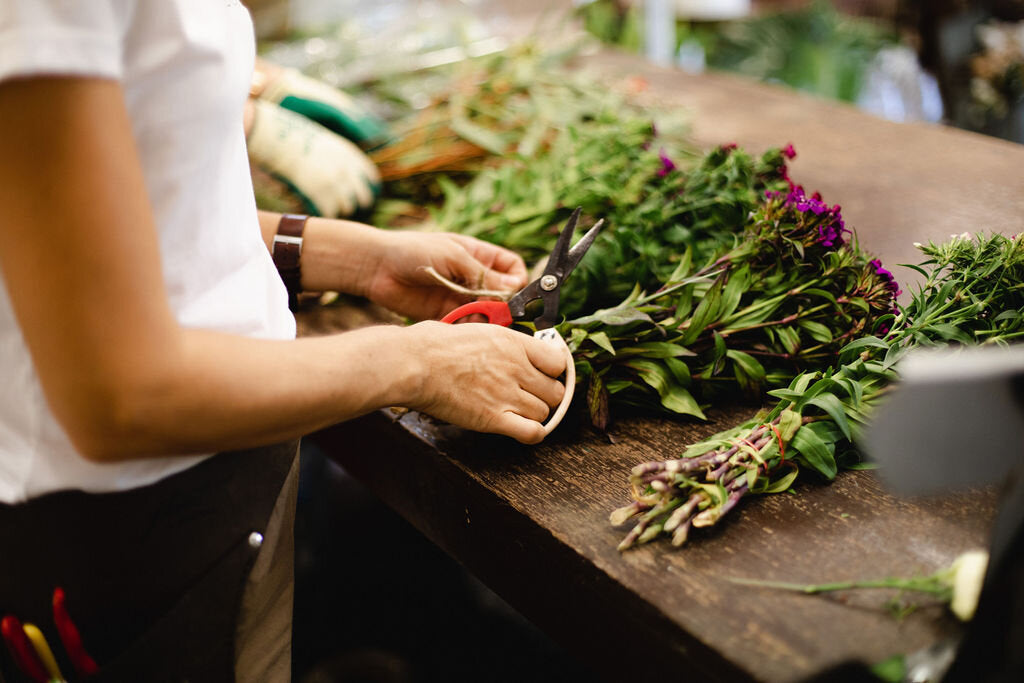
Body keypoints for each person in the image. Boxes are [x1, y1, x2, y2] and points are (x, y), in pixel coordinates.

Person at [0, 2, 566, 682]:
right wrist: (417, 360)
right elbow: (119, 393)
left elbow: (130, 210)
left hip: (213, 494)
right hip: (131, 536)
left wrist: (350, 258)